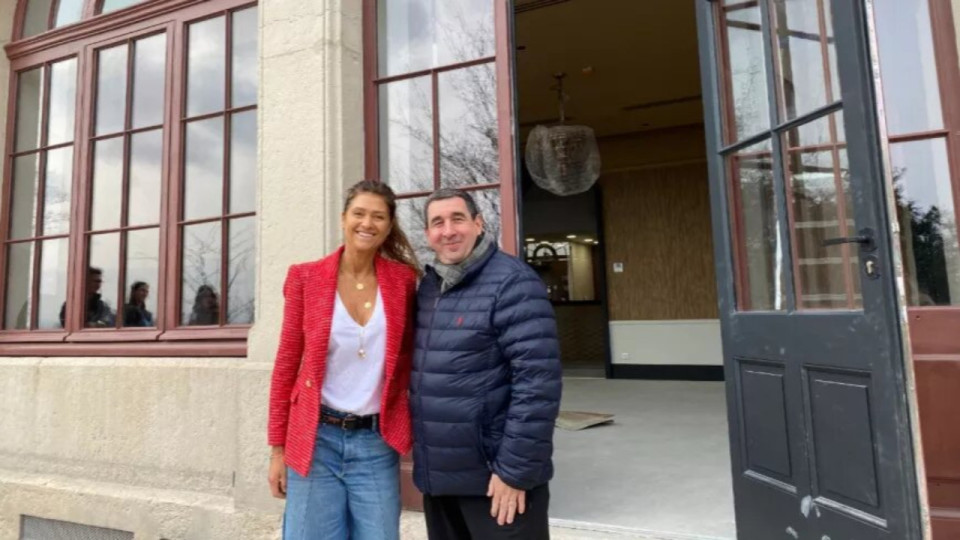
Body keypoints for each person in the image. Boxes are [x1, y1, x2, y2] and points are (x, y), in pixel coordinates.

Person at [267, 180, 421, 540]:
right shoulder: (306, 278)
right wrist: (277, 450)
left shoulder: (403, 281)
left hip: (375, 441)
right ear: (343, 218)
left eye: (378, 216)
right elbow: (286, 364)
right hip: (316, 439)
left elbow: (412, 357)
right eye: (359, 213)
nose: (367, 223)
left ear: (388, 225)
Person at [411, 188, 562, 540]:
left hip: (496, 481)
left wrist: (514, 473)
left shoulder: (513, 282)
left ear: (478, 224)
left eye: (458, 219)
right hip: (442, 480)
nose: (448, 230)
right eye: (438, 222)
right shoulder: (430, 287)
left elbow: (538, 387)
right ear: (428, 234)